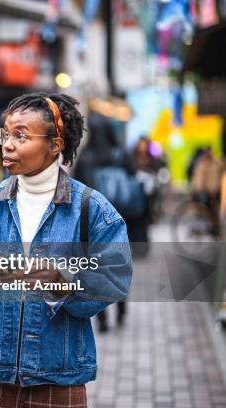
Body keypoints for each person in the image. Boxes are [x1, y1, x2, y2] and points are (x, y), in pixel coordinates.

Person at [0, 93, 133, 408]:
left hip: (59, 378)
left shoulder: (90, 208)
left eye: (21, 135)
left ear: (55, 144)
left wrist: (59, 281)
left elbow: (114, 279)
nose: (8, 144)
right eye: (5, 133)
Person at [74, 115, 137, 331]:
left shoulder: (86, 155)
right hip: (121, 216)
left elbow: (77, 188)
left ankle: (101, 319)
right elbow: (133, 177)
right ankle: (121, 309)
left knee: (93, 268)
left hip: (91, 220)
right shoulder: (120, 154)